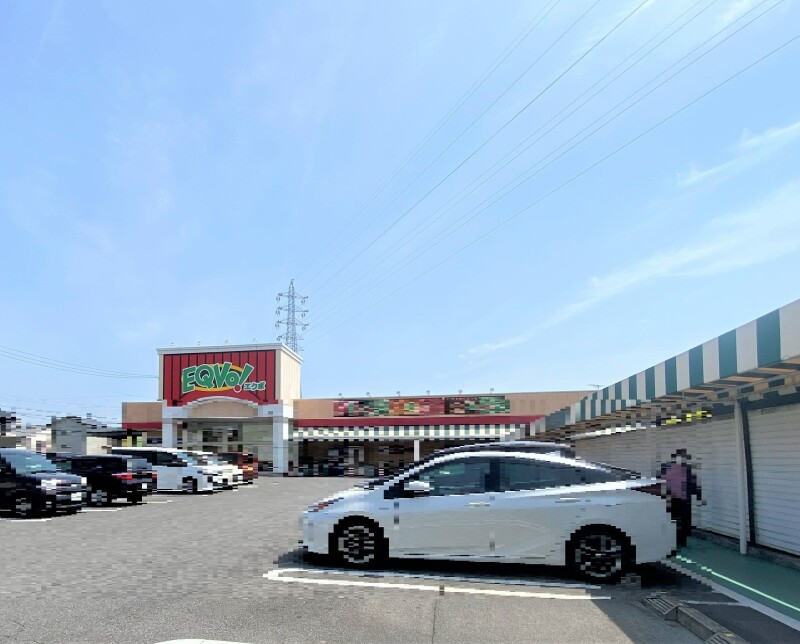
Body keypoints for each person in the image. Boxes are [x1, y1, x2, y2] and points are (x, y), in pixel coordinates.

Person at [660, 449, 702, 547]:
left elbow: (693, 483)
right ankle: (676, 539)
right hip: (674, 499)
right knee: (675, 520)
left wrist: (698, 495)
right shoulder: (668, 468)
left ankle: (680, 540)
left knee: (682, 520)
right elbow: (662, 482)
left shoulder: (686, 469)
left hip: (681, 499)